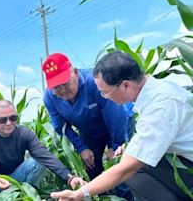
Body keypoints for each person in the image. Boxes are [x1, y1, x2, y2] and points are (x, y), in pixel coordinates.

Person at [51, 51, 193, 200]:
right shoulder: (157, 92)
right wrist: (131, 146)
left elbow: (126, 169)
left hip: (188, 163)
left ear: (125, 86)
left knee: (131, 172)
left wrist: (78, 194)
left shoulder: (160, 107)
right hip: (183, 158)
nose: (104, 97)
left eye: (105, 93)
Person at [42, 53, 135, 200]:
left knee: (121, 167)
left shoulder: (95, 83)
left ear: (76, 73)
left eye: (65, 83)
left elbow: (116, 114)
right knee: (91, 168)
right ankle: (103, 197)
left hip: (119, 124)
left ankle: (128, 197)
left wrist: (115, 145)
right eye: (56, 87)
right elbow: (62, 127)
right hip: (90, 131)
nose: (63, 90)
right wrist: (82, 148)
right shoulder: (50, 97)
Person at [0, 100, 86, 195]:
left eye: (13, 118)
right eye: (3, 120)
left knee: (38, 161)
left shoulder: (24, 133)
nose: (9, 123)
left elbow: (44, 156)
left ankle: (27, 193)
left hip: (17, 179)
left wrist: (69, 177)